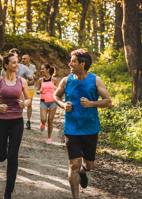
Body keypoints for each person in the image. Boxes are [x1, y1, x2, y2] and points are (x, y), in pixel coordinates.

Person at [53, 49, 112, 199]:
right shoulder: (66, 80)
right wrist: (62, 104)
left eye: (72, 61)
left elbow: (108, 101)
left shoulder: (95, 80)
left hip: (90, 129)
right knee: (73, 164)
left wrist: (91, 103)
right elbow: (56, 95)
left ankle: (83, 171)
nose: (69, 64)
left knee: (89, 164)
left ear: (82, 64)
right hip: (71, 129)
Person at [0, 53, 31, 199]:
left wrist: (25, 103)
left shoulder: (22, 81)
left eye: (17, 62)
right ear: (6, 65)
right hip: (0, 121)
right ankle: (4, 148)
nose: (17, 65)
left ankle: (8, 190)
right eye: (13, 62)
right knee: (1, 157)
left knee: (13, 155)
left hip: (17, 122)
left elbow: (29, 99)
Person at [36, 63, 59, 144]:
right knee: (43, 119)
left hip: (53, 102)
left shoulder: (54, 80)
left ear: (48, 70)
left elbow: (59, 90)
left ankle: (49, 138)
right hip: (43, 101)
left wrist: (56, 89)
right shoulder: (40, 80)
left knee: (50, 120)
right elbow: (37, 90)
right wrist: (39, 91)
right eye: (41, 69)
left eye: (43, 69)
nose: (41, 71)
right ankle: (42, 123)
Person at [21, 54, 37, 129]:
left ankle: (28, 121)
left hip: (30, 87)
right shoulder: (20, 66)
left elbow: (35, 75)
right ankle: (19, 120)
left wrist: (35, 77)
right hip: (21, 88)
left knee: (29, 104)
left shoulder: (33, 67)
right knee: (20, 104)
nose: (23, 60)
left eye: (24, 59)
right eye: (22, 58)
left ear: (28, 60)